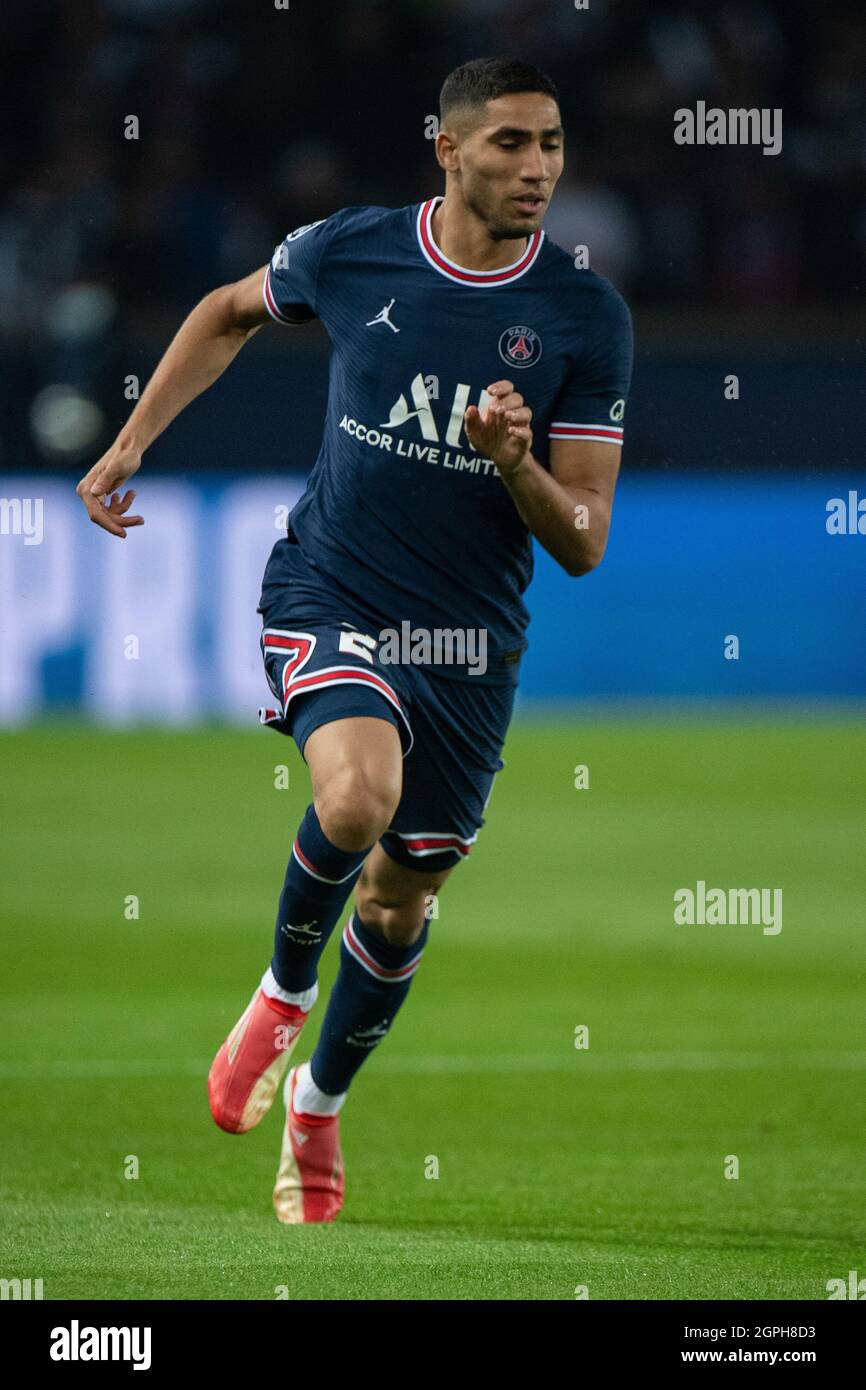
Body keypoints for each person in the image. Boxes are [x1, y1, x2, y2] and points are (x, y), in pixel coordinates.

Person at [76, 56, 633, 1224]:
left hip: (468, 642)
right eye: (508, 145)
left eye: (550, 145)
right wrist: (132, 441)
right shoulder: (354, 249)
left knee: (398, 899)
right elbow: (225, 311)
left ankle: (317, 1104)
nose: (535, 169)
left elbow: (580, 538)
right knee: (353, 800)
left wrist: (511, 462)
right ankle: (280, 992)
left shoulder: (583, 316)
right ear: (448, 149)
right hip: (331, 586)